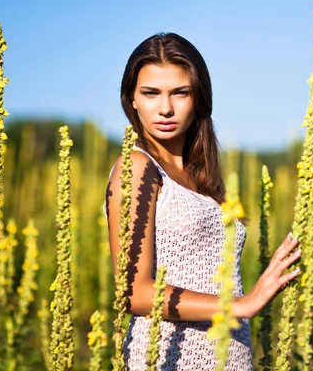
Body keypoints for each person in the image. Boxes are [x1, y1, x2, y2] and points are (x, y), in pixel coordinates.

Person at [103, 32, 302, 370]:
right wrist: (240, 304)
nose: (165, 108)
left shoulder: (201, 178)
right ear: (131, 99)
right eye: (150, 93)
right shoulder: (137, 167)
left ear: (198, 99)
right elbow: (133, 292)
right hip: (169, 359)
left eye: (180, 92)